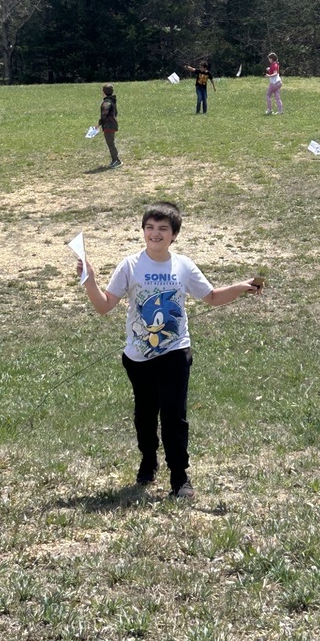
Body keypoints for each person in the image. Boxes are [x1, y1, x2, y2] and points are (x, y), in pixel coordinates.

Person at [76, 201, 262, 499]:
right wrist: (90, 281)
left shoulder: (183, 266)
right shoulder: (130, 265)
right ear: (143, 231)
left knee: (174, 416)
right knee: (145, 415)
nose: (155, 233)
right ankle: (148, 461)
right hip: (138, 357)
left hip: (176, 352)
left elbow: (212, 297)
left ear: (174, 234)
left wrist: (240, 286)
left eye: (163, 228)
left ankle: (180, 477)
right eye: (150, 227)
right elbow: (104, 306)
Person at [99, 83, 121, 169]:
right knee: (111, 143)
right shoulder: (112, 100)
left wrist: (99, 123)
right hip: (112, 124)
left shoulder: (107, 102)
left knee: (110, 143)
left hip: (108, 125)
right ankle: (115, 159)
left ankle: (116, 160)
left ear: (103, 92)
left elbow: (105, 113)